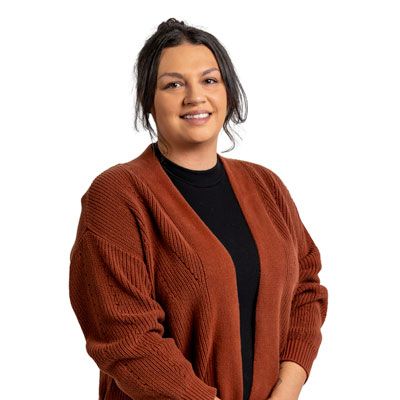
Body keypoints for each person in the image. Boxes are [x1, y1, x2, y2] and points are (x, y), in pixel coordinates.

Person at [69, 18, 328, 400]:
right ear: (148, 101)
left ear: (228, 92)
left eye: (209, 80)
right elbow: (126, 338)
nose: (195, 96)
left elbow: (306, 289)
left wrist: (287, 388)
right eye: (173, 84)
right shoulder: (117, 195)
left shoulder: (266, 185)